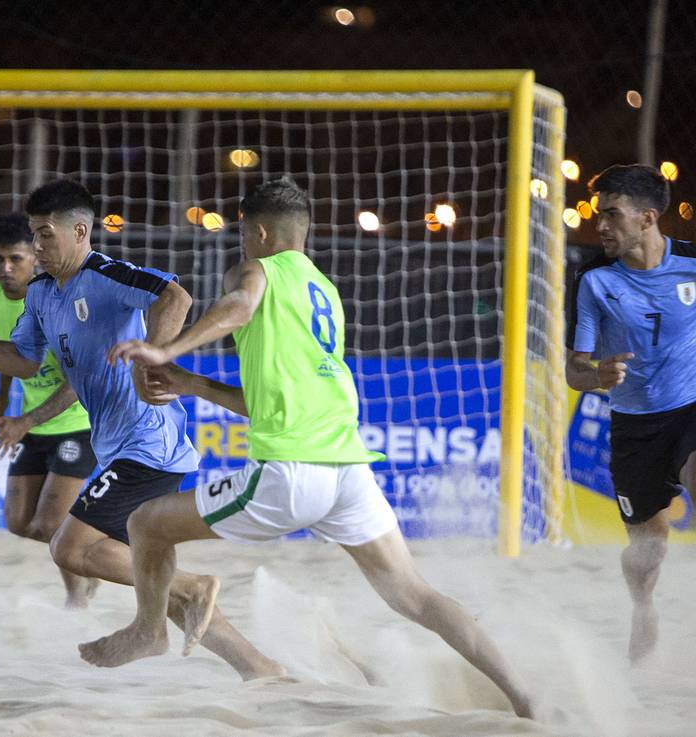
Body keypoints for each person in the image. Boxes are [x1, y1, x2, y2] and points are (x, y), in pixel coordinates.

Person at [80, 178, 533, 718]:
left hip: (291, 474)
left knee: (146, 523)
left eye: (244, 233)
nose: (242, 243)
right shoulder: (325, 292)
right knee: (415, 595)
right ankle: (524, 698)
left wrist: (164, 349)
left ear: (261, 231)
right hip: (348, 470)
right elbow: (269, 400)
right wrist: (192, 382)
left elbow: (239, 307)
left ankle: (148, 631)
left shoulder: (255, 271)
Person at [0, 179, 283, 680]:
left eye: (45, 235)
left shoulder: (105, 274)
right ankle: (258, 666)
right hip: (117, 446)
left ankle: (189, 590)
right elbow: (25, 363)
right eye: (33, 235)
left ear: (80, 230)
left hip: (148, 443)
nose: (36, 247)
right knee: (143, 567)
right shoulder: (40, 293)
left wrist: (154, 355)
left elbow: (176, 298)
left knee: (69, 547)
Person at [565, 163, 696, 663]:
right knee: (648, 552)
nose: (599, 225)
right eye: (600, 215)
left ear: (647, 218)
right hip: (635, 430)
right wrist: (596, 375)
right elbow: (574, 372)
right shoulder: (594, 280)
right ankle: (643, 610)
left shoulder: (690, 265)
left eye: (611, 215)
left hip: (690, 411)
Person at [0, 213, 100, 608]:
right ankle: (93, 548)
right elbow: (10, 352)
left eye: (16, 258)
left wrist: (24, 421)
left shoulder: (58, 299)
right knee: (19, 523)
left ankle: (78, 593)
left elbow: (80, 380)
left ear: (36, 256)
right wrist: (1, 392)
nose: (6, 268)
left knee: (49, 524)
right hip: (32, 422)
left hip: (78, 423)